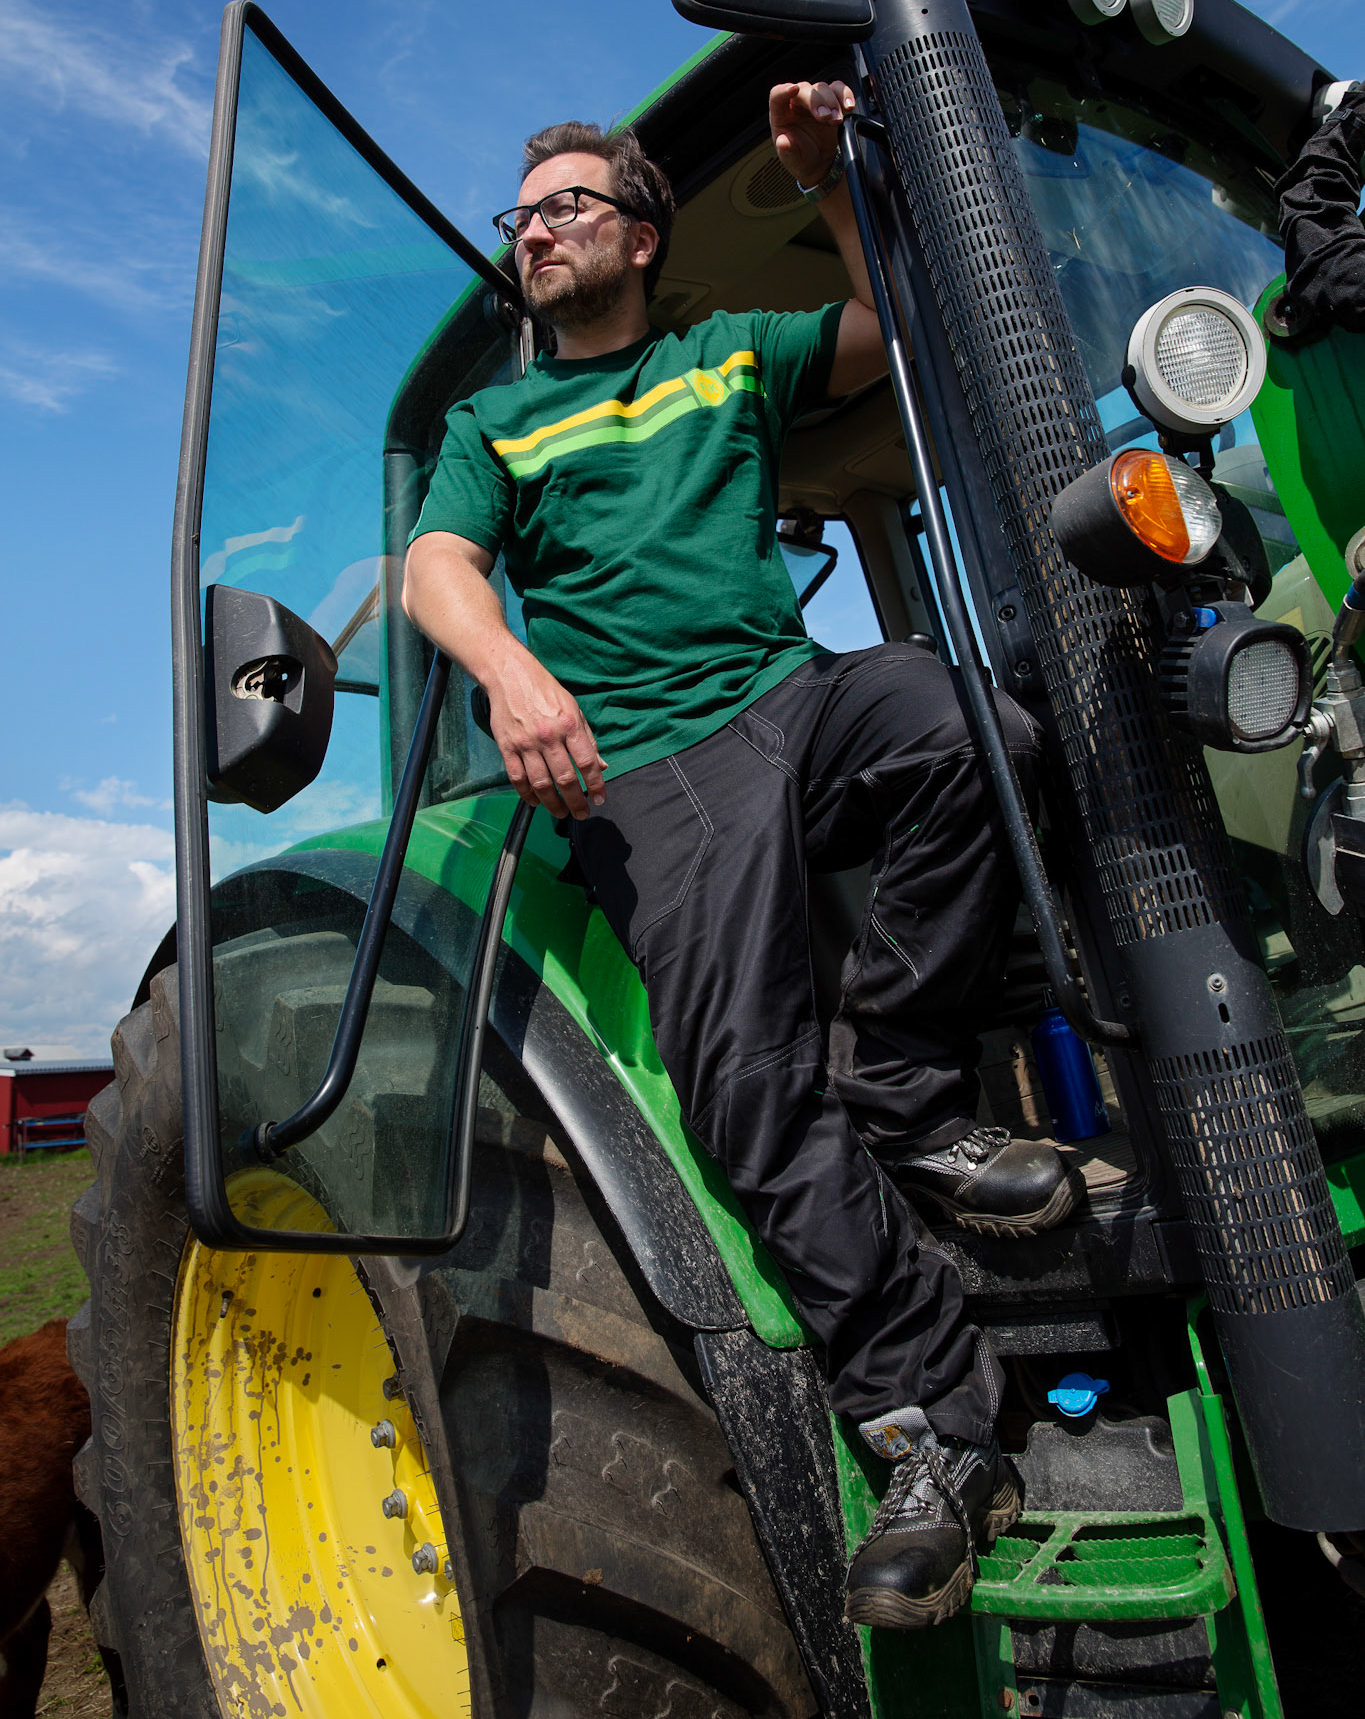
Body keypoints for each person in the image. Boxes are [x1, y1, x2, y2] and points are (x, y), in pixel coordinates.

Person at [402, 80, 1079, 1627]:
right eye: (523, 217)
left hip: (789, 701)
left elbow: (878, 331)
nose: (536, 231)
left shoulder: (724, 354)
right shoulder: (492, 421)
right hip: (641, 768)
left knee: (970, 723)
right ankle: (936, 1434)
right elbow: (438, 564)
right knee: (743, 1095)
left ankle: (902, 1085)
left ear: (639, 236)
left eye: (567, 205)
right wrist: (512, 674)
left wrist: (828, 173)